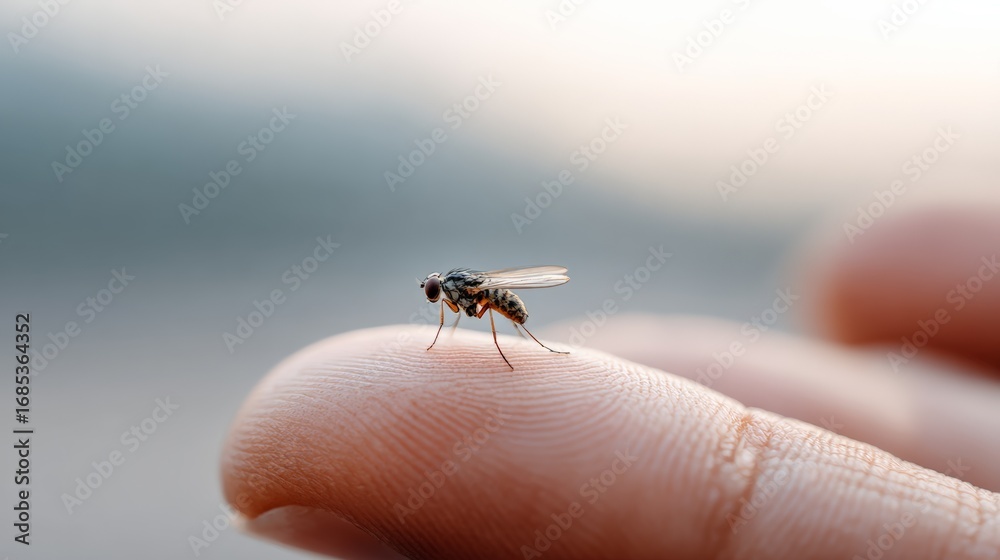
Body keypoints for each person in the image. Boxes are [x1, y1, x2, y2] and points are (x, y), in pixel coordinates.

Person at [221, 201, 1000, 559]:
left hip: (517, 314)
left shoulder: (470, 292)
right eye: (441, 298)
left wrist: (491, 329)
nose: (442, 301)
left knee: (502, 322)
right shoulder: (456, 288)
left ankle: (522, 349)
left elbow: (491, 297)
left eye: (440, 297)